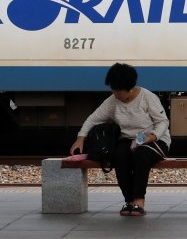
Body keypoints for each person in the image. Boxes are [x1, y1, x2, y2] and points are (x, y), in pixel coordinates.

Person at [70, 63, 171, 216]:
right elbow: (93, 119)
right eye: (113, 90)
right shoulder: (112, 101)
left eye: (119, 91)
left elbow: (163, 121)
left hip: (155, 140)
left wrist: (153, 136)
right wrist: (80, 138)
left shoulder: (147, 97)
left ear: (131, 88)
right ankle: (128, 201)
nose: (116, 94)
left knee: (140, 156)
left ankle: (138, 202)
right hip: (129, 140)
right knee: (119, 156)